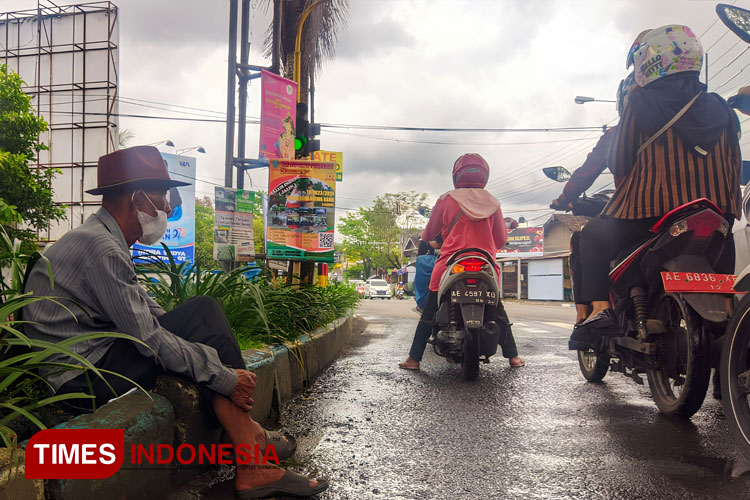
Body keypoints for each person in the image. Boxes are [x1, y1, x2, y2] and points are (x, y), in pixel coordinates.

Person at [23, 146, 328, 499]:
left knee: (202, 318)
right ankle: (251, 452)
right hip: (82, 378)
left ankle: (248, 441)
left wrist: (209, 361)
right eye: (162, 196)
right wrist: (226, 377)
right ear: (137, 198)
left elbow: (151, 315)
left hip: (92, 362)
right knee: (203, 315)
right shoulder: (102, 248)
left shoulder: (102, 240)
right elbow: (150, 338)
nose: (168, 207)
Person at [570, 25, 742, 347]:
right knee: (723, 267)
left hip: (651, 213)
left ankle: (600, 310)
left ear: (648, 62)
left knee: (592, 235)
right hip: (718, 211)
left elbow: (620, 162)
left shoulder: (640, 103)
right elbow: (734, 160)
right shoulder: (721, 106)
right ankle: (729, 346)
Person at [399, 153, 525, 370]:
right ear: (484, 174)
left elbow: (430, 232)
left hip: (450, 262)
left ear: (457, 174)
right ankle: (513, 357)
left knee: (430, 308)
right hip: (485, 263)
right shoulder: (493, 202)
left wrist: (434, 235)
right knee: (497, 308)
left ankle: (414, 359)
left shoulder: (446, 199)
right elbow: (501, 240)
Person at [551, 73, 634, 325]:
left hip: (638, 214)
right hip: (708, 209)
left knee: (586, 237)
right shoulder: (714, 117)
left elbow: (585, 175)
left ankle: (595, 311)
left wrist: (565, 199)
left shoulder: (618, 133)